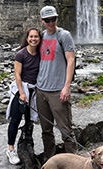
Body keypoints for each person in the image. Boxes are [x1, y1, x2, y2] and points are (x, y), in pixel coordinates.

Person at [36, 5, 77, 161]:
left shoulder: (64, 35)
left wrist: (66, 87)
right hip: (41, 90)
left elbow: (71, 60)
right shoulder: (41, 36)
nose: (51, 23)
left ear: (57, 18)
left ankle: (74, 165)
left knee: (66, 130)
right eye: (47, 20)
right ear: (42, 20)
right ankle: (50, 162)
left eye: (53, 19)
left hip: (57, 91)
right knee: (46, 130)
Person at [5, 28, 42, 164]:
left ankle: (27, 145)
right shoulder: (21, 54)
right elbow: (17, 75)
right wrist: (21, 93)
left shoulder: (40, 54)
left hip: (34, 91)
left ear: (39, 39)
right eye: (31, 37)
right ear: (27, 38)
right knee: (15, 120)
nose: (33, 39)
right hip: (22, 90)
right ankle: (10, 149)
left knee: (29, 121)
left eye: (36, 37)